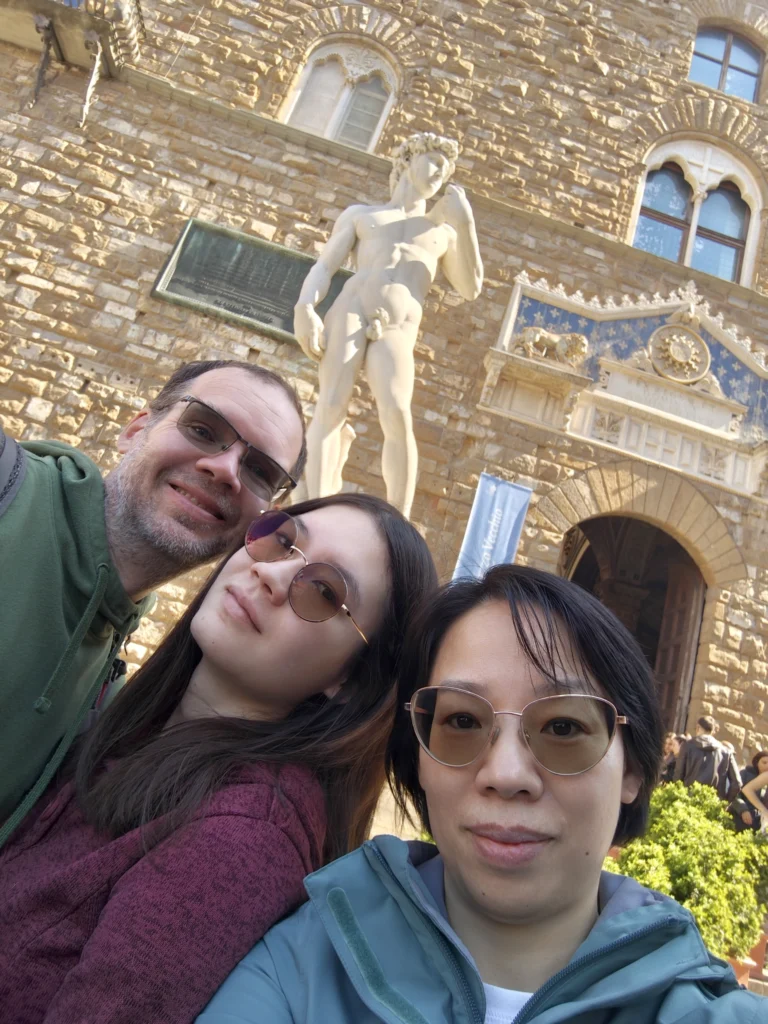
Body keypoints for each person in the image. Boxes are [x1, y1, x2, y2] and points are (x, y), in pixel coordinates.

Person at [197, 565, 761, 1023]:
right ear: (418, 757)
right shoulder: (297, 967)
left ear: (633, 769)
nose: (506, 774)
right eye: (462, 721)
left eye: (563, 727)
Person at [0, 493, 437, 1022]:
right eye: (282, 540)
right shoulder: (123, 726)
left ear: (352, 681)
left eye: (324, 591)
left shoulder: (241, 839)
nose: (271, 575)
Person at [0, 359, 307, 848]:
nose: (225, 469)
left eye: (260, 471)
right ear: (135, 430)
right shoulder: (9, 489)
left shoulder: (107, 683)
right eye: (203, 429)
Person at [294, 131, 483, 517]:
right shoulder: (363, 215)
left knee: (396, 412)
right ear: (408, 160)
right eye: (434, 162)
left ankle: (399, 519)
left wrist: (465, 223)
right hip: (351, 307)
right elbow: (325, 267)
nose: (439, 174)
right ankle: (313, 506)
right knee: (331, 403)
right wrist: (305, 307)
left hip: (398, 325)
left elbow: (471, 287)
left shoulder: (442, 232)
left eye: (445, 170)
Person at [673, 715, 742, 803]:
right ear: (713, 730)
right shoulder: (726, 751)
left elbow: (678, 775)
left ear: (698, 727)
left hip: (687, 800)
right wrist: (725, 802)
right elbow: (737, 783)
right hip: (713, 803)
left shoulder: (687, 746)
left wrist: (678, 797)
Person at [739, 751, 768, 832]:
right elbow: (735, 794)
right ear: (757, 762)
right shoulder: (745, 774)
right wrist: (743, 809)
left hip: (757, 821)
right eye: (764, 762)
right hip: (740, 817)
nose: (767, 766)